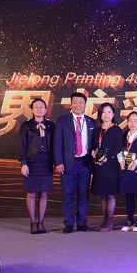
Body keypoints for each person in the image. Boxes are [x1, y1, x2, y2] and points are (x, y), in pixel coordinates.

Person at [53, 91, 97, 233]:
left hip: (85, 163)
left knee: (84, 194)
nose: (78, 105)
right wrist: (59, 162)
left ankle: (82, 222)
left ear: (85, 104)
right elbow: (57, 143)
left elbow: (94, 143)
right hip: (68, 164)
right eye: (75, 102)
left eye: (81, 102)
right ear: (71, 104)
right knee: (68, 194)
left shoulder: (91, 121)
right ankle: (69, 223)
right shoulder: (62, 121)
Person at [19, 97, 55, 234]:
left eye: (42, 107)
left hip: (46, 162)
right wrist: (24, 163)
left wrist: (56, 162)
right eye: (36, 107)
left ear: (46, 109)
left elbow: (56, 144)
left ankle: (41, 222)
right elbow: (23, 145)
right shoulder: (26, 126)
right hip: (32, 161)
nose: (39, 109)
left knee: (44, 192)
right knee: (32, 192)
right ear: (32, 110)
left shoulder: (51, 125)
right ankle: (33, 223)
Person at [90, 102, 122, 231]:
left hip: (111, 166)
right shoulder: (96, 130)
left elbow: (118, 148)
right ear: (100, 114)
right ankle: (105, 222)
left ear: (113, 114)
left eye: (109, 112)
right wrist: (93, 152)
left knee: (110, 194)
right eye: (103, 112)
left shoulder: (117, 130)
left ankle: (109, 223)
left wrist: (107, 157)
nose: (106, 115)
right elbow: (93, 146)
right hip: (99, 166)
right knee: (102, 195)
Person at [118, 111, 137, 232]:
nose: (133, 123)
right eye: (130, 120)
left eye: (135, 120)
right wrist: (121, 161)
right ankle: (130, 220)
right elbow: (119, 150)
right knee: (128, 196)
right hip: (126, 169)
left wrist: (136, 163)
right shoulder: (124, 135)